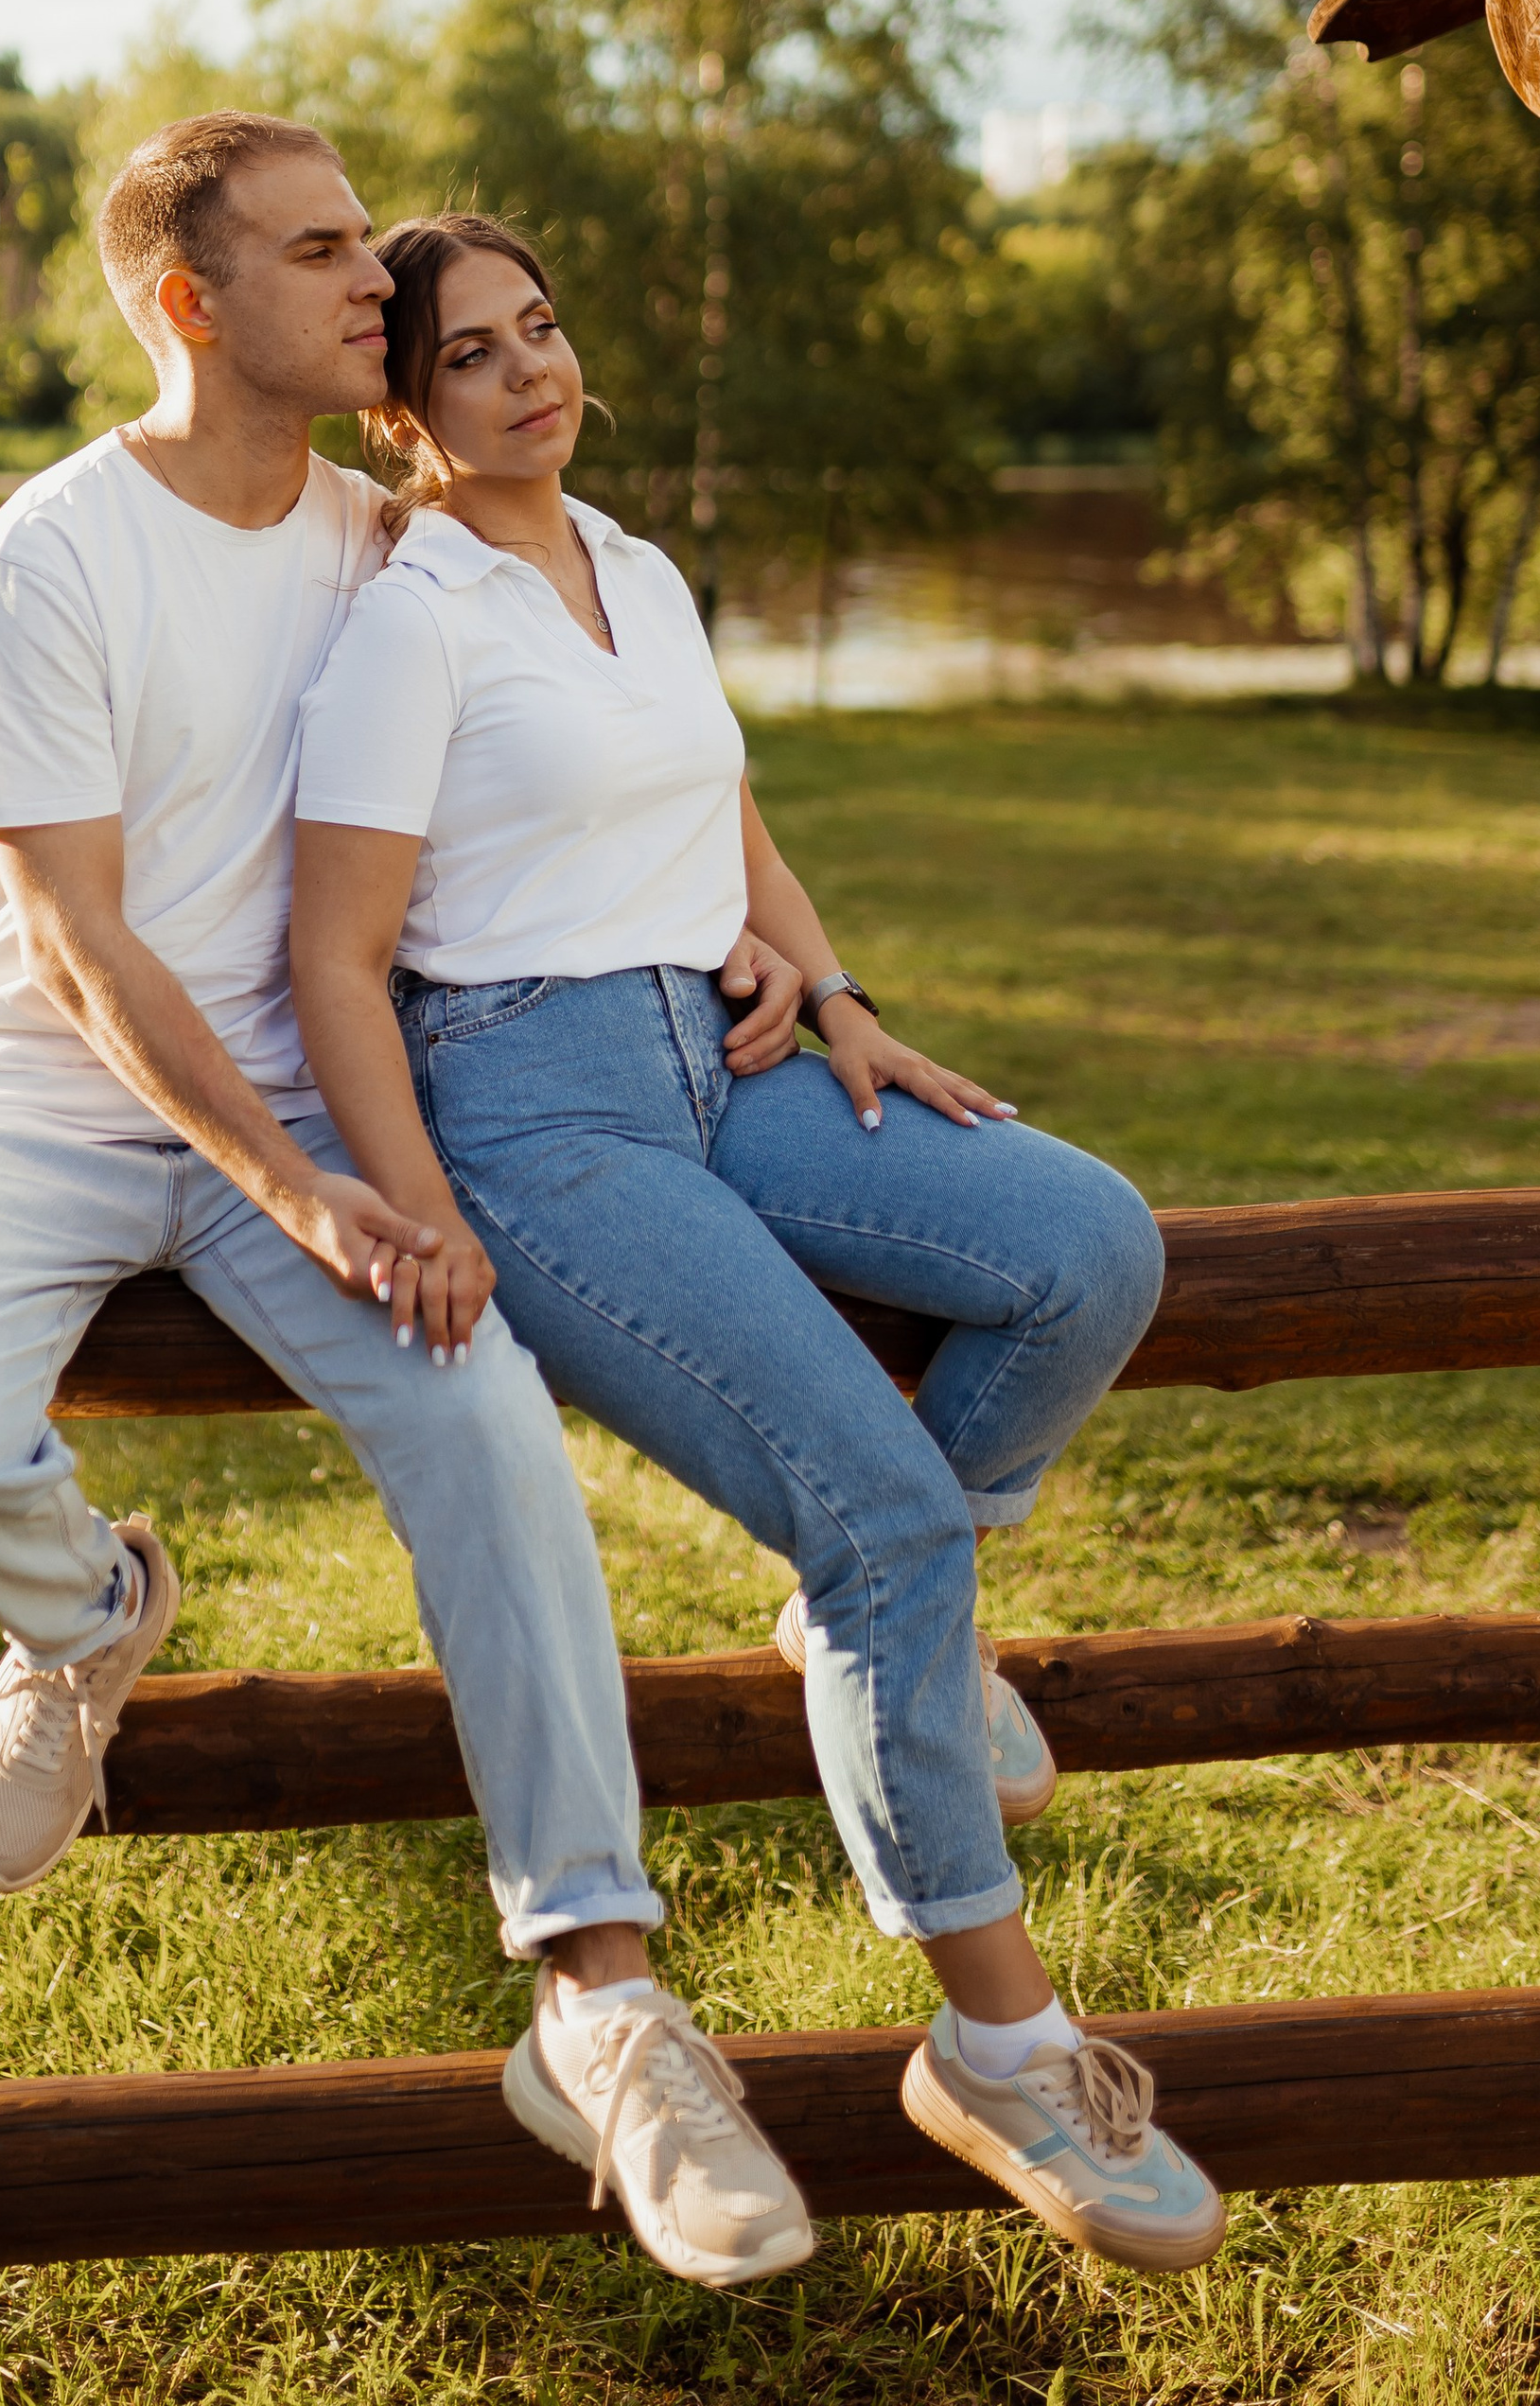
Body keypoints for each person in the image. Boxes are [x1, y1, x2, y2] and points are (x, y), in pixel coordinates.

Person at [0, 114, 819, 2292]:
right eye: (316, 250)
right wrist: (313, 1190)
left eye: (366, 241)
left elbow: (639, 692)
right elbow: (78, 942)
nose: (375, 282)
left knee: (481, 1429)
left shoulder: (393, 536)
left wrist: (781, 938)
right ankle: (86, 1618)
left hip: (301, 1089)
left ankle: (601, 1999)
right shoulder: (49, 557)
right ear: (189, 303)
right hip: (36, 1085)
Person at [290, 211, 1225, 2278]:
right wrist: (417, 1209)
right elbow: (336, 956)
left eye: (541, 327)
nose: (528, 371)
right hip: (534, 1116)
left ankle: (869, 1635)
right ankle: (1003, 2046)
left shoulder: (628, 563)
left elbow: (728, 815)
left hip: (722, 1054)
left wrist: (841, 988)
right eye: (469, 355)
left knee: (1083, 1242)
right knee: (877, 1514)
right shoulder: (407, 618)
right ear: (401, 405)